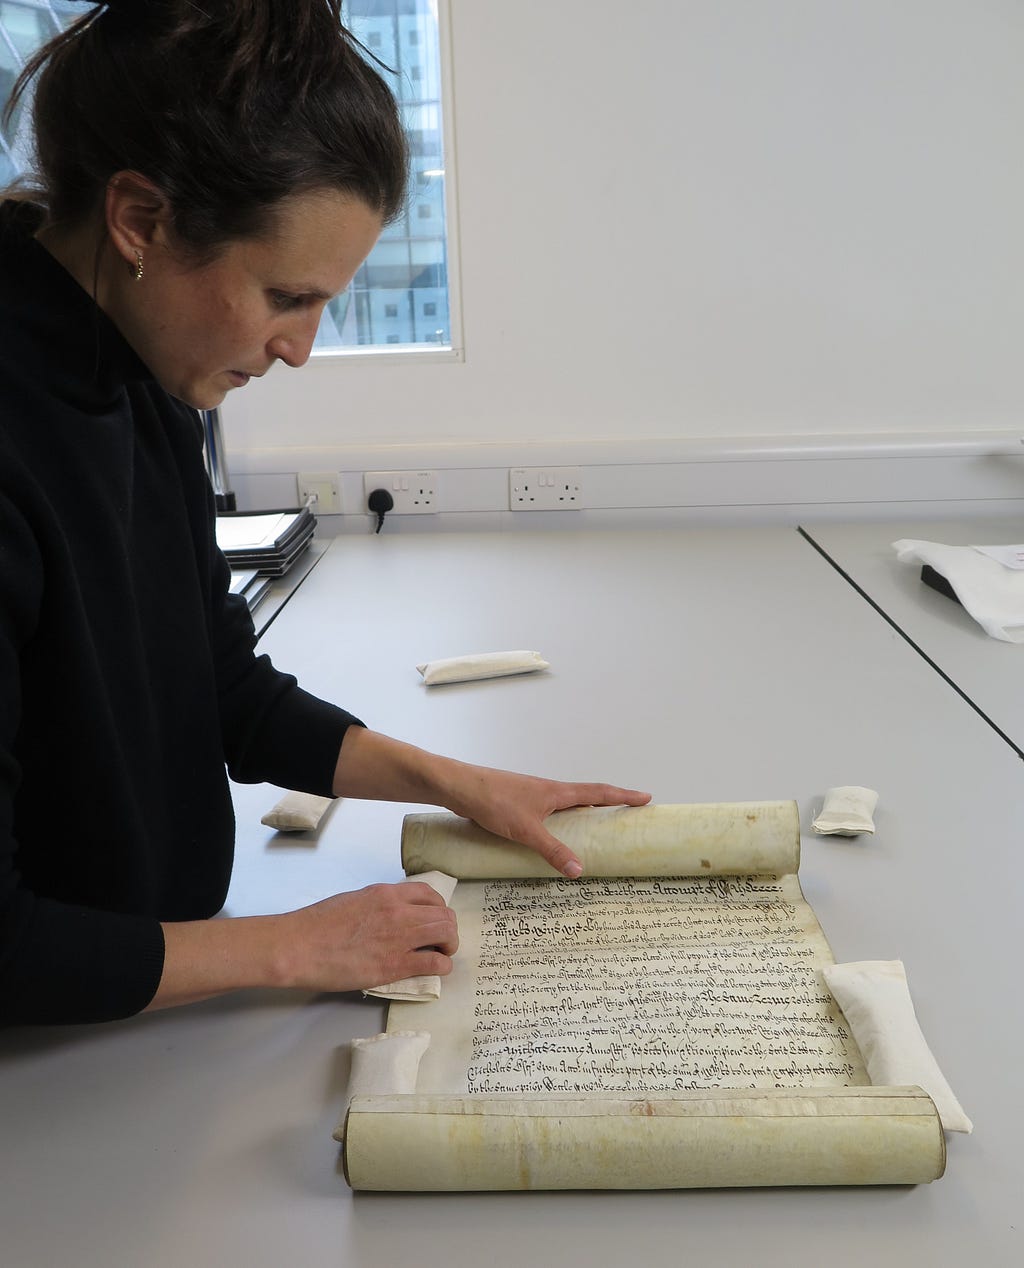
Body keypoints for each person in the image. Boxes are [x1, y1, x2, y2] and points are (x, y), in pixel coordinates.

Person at [0, 0, 649, 1026]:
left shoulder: (141, 368)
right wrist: (301, 942)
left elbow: (221, 689)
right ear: (140, 221)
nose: (299, 346)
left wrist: (457, 781)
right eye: (285, 296)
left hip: (138, 1009)